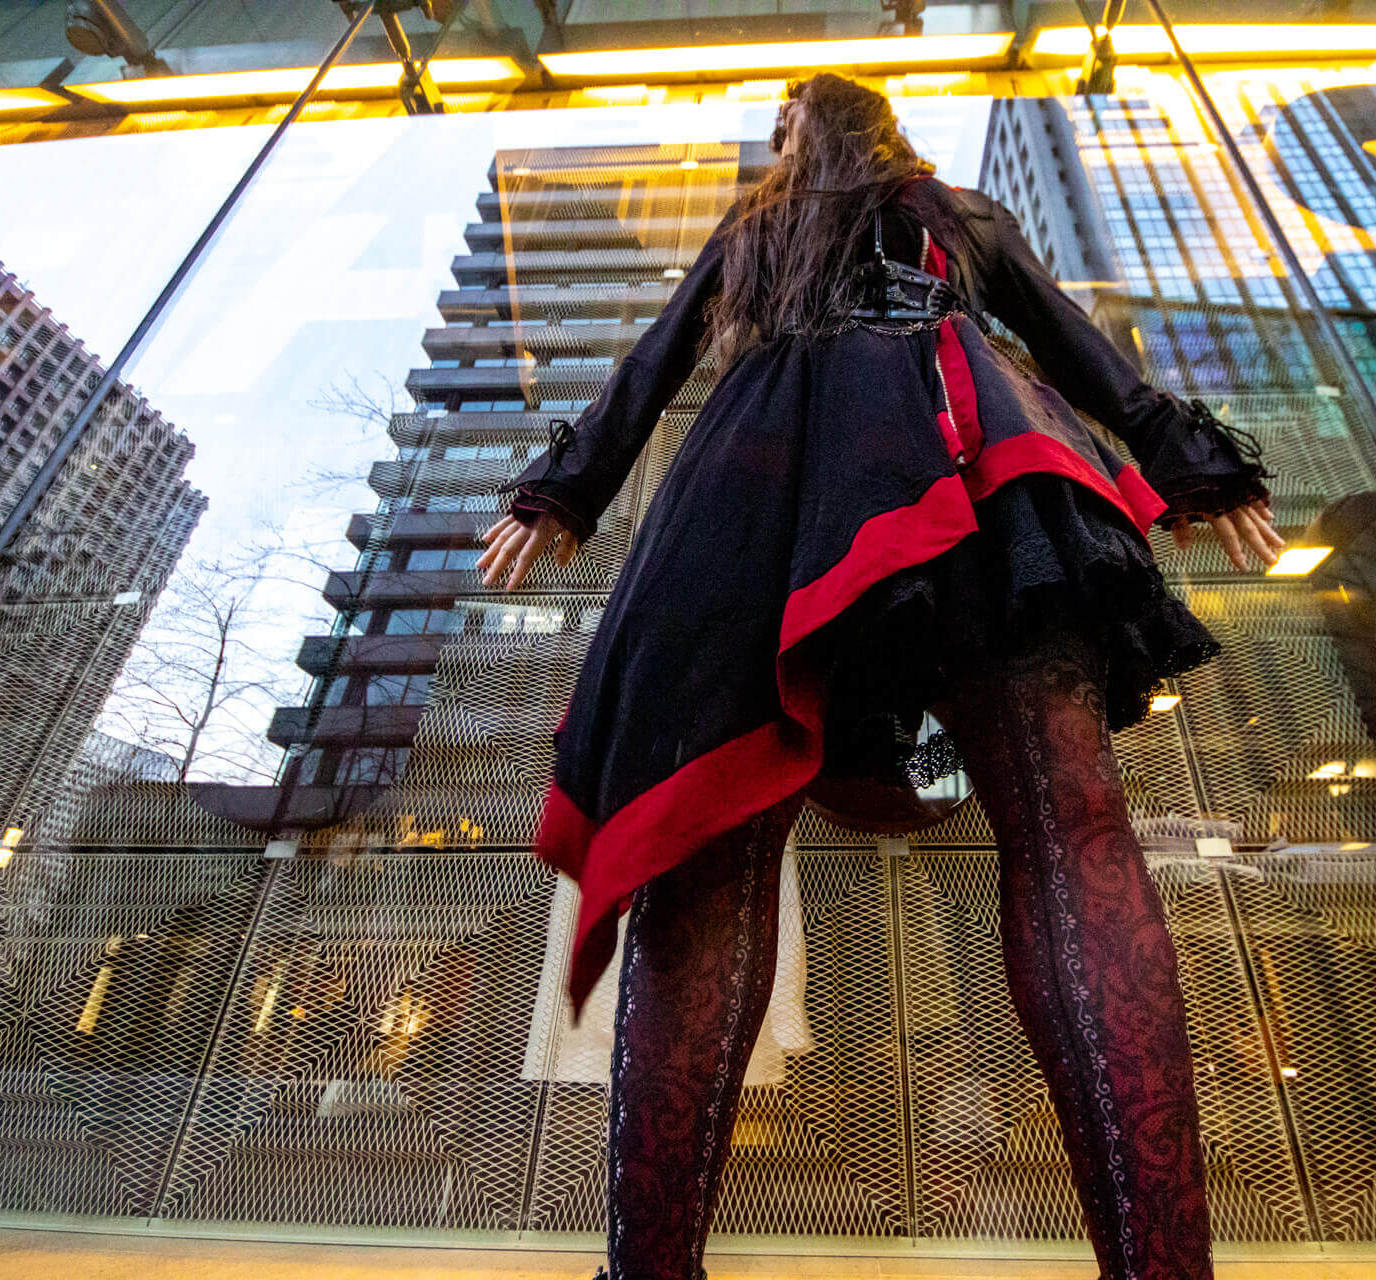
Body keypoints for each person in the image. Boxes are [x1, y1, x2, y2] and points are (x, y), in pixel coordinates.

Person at [478, 73, 1281, 1280]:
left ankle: (646, 1272)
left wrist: (568, 487)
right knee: (1070, 831)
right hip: (976, 450)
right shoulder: (950, 215)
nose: (776, 138)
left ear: (819, 124)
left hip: (768, 483)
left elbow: (654, 361)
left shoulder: (769, 224)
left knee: (718, 852)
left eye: (786, 121)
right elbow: (1075, 344)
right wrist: (1184, 456)